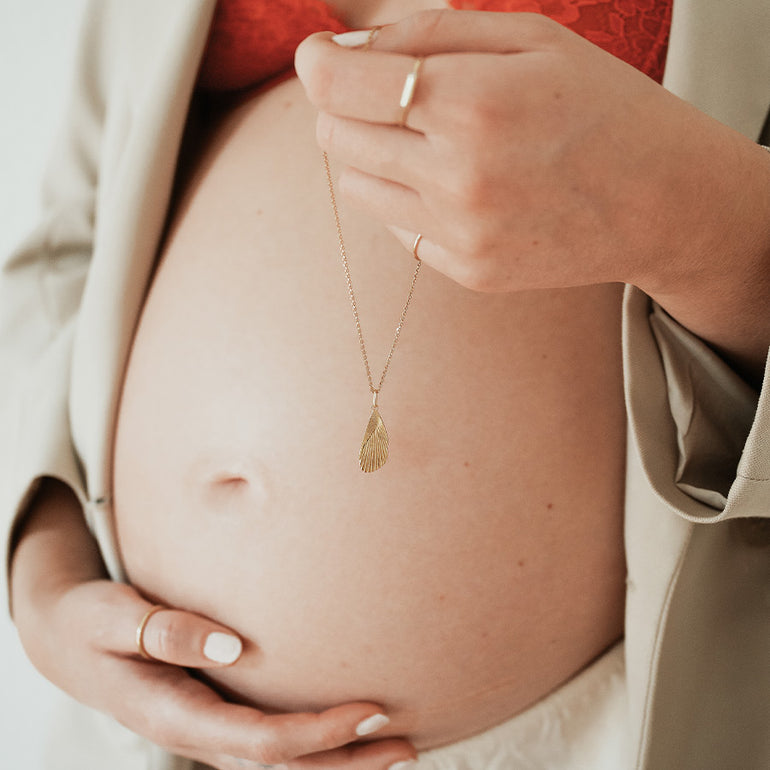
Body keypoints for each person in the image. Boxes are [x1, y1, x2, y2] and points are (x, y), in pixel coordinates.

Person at [2, 1, 769, 769]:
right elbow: (70, 250)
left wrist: (703, 218)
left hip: (597, 725)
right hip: (144, 735)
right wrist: (41, 562)